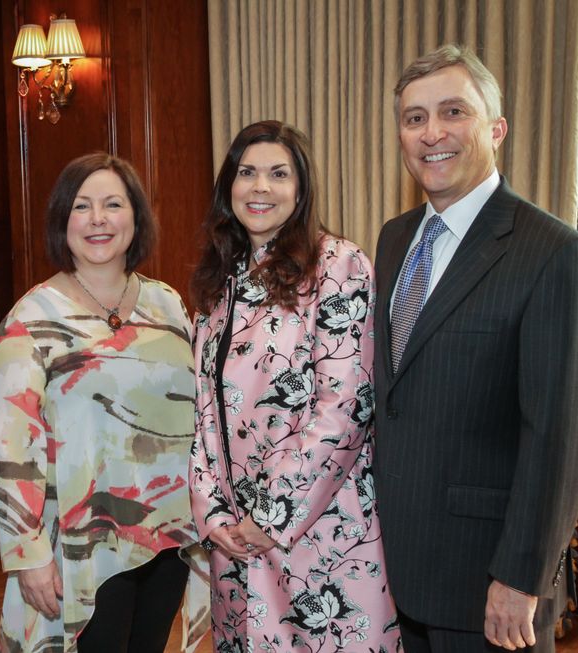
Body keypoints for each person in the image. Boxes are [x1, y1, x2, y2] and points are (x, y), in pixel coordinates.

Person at [372, 44, 578, 652]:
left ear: (495, 129)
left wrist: (520, 578)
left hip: (489, 583)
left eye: (454, 112)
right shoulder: (395, 239)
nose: (432, 133)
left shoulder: (554, 254)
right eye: (414, 117)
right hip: (400, 568)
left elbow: (559, 438)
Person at [189, 120, 401, 651]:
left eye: (278, 174)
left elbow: (346, 407)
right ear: (228, 188)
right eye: (247, 173)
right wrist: (213, 514)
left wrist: (271, 516)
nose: (260, 187)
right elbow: (199, 411)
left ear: (301, 189)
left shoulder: (339, 265)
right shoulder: (219, 280)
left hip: (319, 531)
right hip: (233, 543)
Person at [0, 153, 209, 653]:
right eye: (82, 206)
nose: (99, 219)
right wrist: (28, 556)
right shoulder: (30, 319)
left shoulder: (167, 304)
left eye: (113, 204)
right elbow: (11, 448)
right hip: (80, 547)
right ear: (62, 220)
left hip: (168, 536)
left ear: (136, 217)